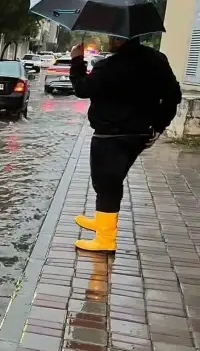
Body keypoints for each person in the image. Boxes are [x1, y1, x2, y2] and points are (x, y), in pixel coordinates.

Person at [69, 36, 182, 252]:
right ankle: (104, 220)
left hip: (110, 135)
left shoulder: (110, 66)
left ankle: (105, 239)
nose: (111, 40)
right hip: (139, 134)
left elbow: (82, 89)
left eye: (113, 37)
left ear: (122, 39)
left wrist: (77, 61)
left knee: (106, 184)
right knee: (112, 180)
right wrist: (158, 127)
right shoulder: (157, 60)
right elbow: (173, 96)